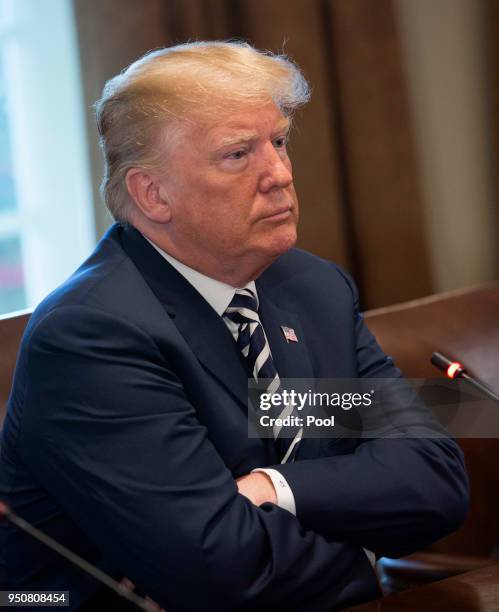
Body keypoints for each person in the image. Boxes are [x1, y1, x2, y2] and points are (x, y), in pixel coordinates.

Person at [0, 41, 468, 611]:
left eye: (278, 142)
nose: (279, 173)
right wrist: (363, 550)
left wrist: (274, 490)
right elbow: (221, 573)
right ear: (153, 194)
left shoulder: (311, 288)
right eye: (237, 154)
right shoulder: (91, 337)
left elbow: (436, 480)